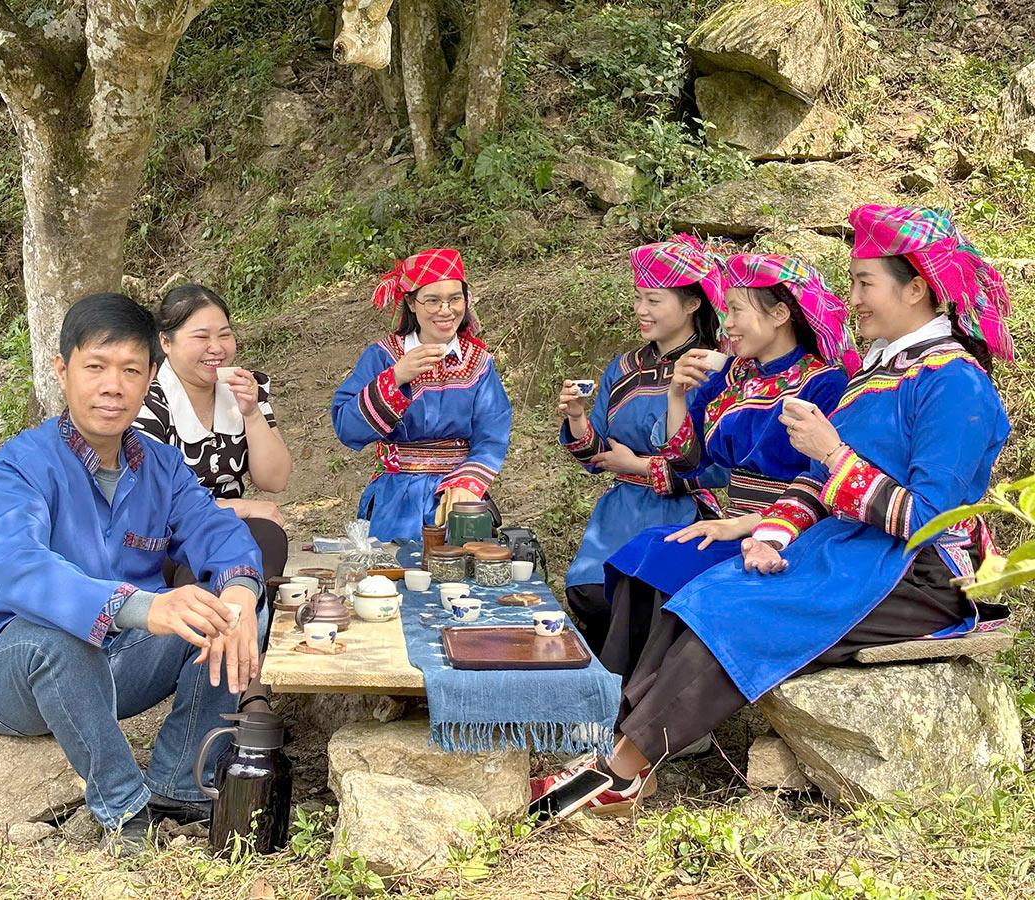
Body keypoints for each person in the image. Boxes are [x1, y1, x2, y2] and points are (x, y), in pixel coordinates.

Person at [531, 205, 1012, 819]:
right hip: (851, 549)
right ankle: (630, 751)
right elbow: (815, 482)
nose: (854, 297)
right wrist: (774, 534)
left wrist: (835, 456)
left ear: (916, 288)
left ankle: (625, 769)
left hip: (924, 573)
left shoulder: (955, 381)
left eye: (866, 282)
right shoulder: (879, 373)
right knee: (708, 588)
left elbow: (932, 517)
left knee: (738, 606)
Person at [0, 293, 268, 854]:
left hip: (116, 666)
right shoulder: (18, 466)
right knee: (60, 641)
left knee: (234, 610)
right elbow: (23, 570)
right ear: (62, 369)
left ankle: (178, 779)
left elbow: (219, 533)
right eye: (95, 366)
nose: (112, 386)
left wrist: (239, 590)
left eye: (130, 370)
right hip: (7, 674)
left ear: (150, 378)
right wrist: (147, 606)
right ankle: (126, 809)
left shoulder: (161, 465)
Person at [599, 253, 859, 676]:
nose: (727, 326)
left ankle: (651, 716)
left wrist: (746, 525)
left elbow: (828, 487)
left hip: (789, 535)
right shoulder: (735, 377)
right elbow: (687, 461)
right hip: (732, 522)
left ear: (779, 314)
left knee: (671, 567)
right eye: (726, 312)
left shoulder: (825, 383)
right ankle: (619, 695)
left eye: (736, 310)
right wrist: (677, 397)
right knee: (643, 553)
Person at [559, 235, 728, 653]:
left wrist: (638, 466)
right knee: (590, 593)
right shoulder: (624, 367)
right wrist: (577, 416)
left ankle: (631, 706)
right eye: (638, 298)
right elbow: (596, 453)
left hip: (681, 514)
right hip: (620, 512)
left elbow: (720, 466)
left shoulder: (715, 369)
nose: (640, 310)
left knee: (638, 603)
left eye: (653, 300)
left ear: (691, 304)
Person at [331, 248, 513, 543]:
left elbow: (492, 433)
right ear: (411, 303)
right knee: (393, 580)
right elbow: (347, 427)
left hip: (456, 498)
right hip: (395, 501)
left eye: (455, 299)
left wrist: (469, 483)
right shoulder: (384, 357)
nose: (446, 310)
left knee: (459, 582)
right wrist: (396, 377)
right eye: (432, 300)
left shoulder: (478, 362)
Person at [134, 284, 291, 589]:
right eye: (201, 337)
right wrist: (242, 507)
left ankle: (238, 621)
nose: (217, 348)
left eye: (225, 334)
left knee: (267, 538)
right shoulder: (147, 401)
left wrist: (251, 413)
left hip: (226, 527)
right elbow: (151, 502)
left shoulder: (243, 389)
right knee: (209, 565)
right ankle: (209, 626)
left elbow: (275, 480)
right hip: (162, 531)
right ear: (166, 341)